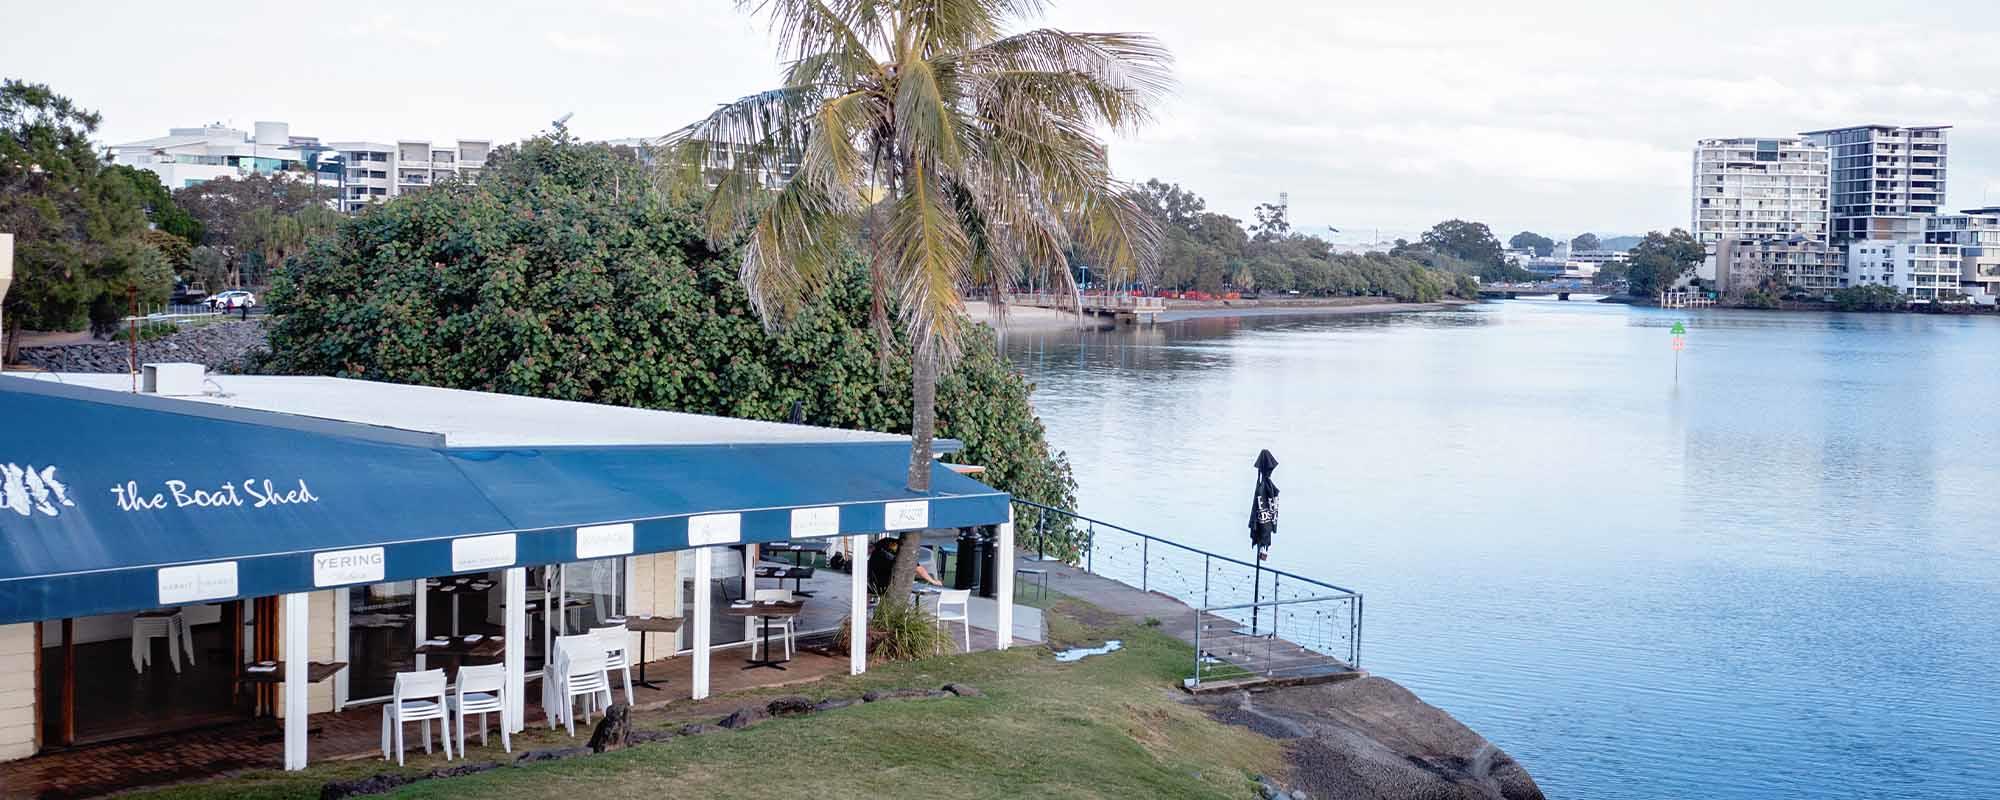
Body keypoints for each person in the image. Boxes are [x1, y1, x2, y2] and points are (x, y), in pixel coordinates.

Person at [865, 536, 942, 595]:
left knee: (868, 591)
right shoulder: (906, 552)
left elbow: (872, 549)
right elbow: (919, 569)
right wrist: (933, 581)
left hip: (873, 578)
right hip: (883, 582)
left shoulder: (886, 541)